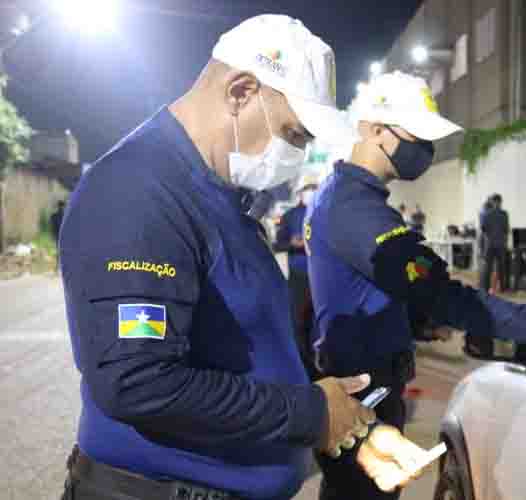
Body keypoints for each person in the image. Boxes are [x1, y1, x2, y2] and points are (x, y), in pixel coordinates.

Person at [59, 16, 427, 500]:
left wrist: (342, 420)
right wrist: (313, 413)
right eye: (295, 134)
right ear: (240, 92)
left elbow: (245, 349)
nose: (299, 152)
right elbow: (136, 381)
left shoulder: (218, 196)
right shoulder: (139, 193)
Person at [304, 71, 526, 500]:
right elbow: (454, 300)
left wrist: (416, 320)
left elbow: (359, 288)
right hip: (362, 396)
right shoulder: (358, 212)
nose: (425, 150)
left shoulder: (339, 198)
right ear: (373, 130)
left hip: (361, 382)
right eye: (416, 136)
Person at [275, 172, 321, 377]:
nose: (311, 192)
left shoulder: (324, 214)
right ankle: (301, 365)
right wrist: (292, 244)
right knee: (298, 320)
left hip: (321, 275)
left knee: (319, 321)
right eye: (308, 188)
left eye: (314, 188)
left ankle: (318, 363)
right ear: (301, 192)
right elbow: (278, 243)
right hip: (299, 274)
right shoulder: (290, 216)